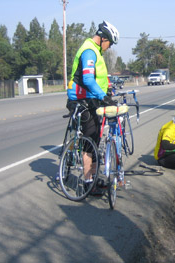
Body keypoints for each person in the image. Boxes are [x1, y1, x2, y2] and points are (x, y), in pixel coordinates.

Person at [62, 20, 119, 193]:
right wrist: (103, 96)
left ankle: (93, 178)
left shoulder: (96, 52)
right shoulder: (89, 51)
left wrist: (107, 91)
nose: (109, 47)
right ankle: (88, 182)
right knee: (89, 142)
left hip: (91, 99)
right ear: (103, 38)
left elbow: (99, 77)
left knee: (95, 138)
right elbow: (87, 79)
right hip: (81, 100)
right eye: (110, 43)